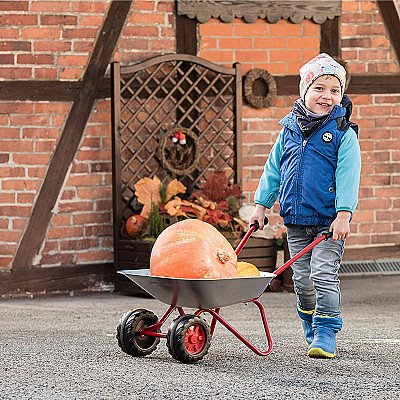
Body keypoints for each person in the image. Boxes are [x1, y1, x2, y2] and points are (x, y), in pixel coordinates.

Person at [249, 53, 361, 359]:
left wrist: (344, 214)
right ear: (305, 91)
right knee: (302, 280)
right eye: (319, 88)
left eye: (334, 90)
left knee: (323, 275)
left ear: (341, 96)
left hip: (328, 223)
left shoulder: (343, 134)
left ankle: (326, 331)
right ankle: (310, 322)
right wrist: (261, 206)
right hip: (296, 221)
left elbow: (349, 175)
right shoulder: (288, 131)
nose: (327, 96)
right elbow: (273, 170)